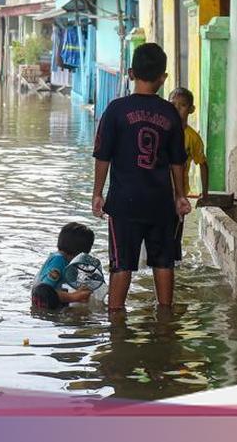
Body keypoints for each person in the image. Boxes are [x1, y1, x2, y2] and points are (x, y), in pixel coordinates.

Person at [92, 43, 191, 311]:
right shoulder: (170, 113)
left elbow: (103, 156)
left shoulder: (115, 110)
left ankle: (116, 327)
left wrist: (97, 193)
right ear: (163, 77)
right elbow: (177, 162)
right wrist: (180, 196)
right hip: (160, 203)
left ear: (131, 72)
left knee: (121, 264)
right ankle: (166, 325)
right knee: (163, 262)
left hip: (124, 203)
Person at [32, 222, 96, 310]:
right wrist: (74, 297)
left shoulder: (68, 261)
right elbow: (43, 292)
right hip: (47, 305)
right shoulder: (59, 261)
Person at [168, 87, 209, 198]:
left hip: (180, 191)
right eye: (172, 104)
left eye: (182, 105)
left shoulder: (193, 138)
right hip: (159, 189)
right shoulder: (162, 131)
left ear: (191, 109)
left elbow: (203, 164)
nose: (176, 108)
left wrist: (205, 192)